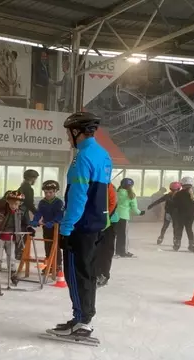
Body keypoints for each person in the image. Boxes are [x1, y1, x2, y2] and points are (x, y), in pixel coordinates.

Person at [47, 112, 112, 340]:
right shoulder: (103, 155)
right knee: (88, 274)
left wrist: (66, 228)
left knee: (76, 274)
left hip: (80, 226)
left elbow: (78, 197)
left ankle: (82, 321)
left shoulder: (82, 157)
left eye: (68, 133)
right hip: (96, 224)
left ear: (77, 132)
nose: (67, 137)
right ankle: (82, 318)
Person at [0, 190, 26, 286]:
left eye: (16, 204)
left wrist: (28, 228)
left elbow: (24, 224)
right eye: (11, 203)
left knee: (11, 257)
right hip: (0, 237)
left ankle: (13, 274)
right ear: (7, 202)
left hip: (11, 239)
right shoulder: (2, 211)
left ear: (20, 204)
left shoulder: (20, 213)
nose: (13, 205)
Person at [31, 180, 65, 273]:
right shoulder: (42, 202)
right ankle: (49, 264)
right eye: (46, 192)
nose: (48, 194)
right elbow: (39, 212)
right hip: (46, 227)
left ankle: (57, 266)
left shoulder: (59, 202)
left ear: (55, 192)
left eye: (50, 192)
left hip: (56, 227)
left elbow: (60, 214)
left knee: (55, 246)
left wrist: (54, 222)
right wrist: (35, 220)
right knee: (47, 245)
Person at [95, 183, 119, 288]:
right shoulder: (92, 183)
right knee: (95, 249)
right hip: (96, 222)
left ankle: (103, 274)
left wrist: (104, 218)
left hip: (109, 222)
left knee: (105, 250)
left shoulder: (108, 186)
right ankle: (95, 272)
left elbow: (113, 204)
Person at [113, 178, 145, 258]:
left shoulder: (116, 193)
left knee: (114, 235)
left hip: (114, 216)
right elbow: (134, 208)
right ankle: (123, 252)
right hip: (123, 217)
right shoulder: (131, 195)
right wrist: (140, 213)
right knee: (123, 235)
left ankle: (115, 252)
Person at [172, 177, 194, 253]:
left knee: (179, 229)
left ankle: (177, 244)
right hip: (191, 216)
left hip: (180, 215)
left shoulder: (178, 194)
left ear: (182, 184)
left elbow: (175, 205)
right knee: (189, 229)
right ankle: (192, 245)